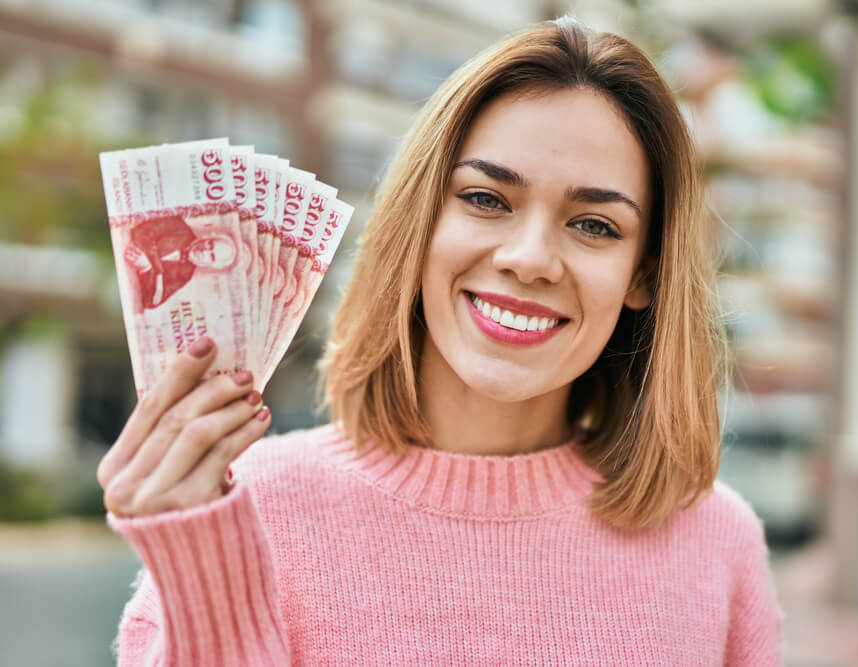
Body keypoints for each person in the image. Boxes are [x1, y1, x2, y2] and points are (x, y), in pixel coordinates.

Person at [98, 17, 783, 665]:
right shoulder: (251, 505)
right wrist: (201, 568)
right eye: (486, 199)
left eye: (595, 224)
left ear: (644, 275)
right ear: (419, 222)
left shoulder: (719, 543)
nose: (530, 257)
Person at [124, 214, 238, 310]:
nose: (204, 250)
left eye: (211, 256)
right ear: (207, 238)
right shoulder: (178, 225)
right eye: (210, 244)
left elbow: (152, 302)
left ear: (210, 265)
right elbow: (142, 231)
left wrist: (147, 269)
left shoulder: (185, 276)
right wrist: (157, 268)